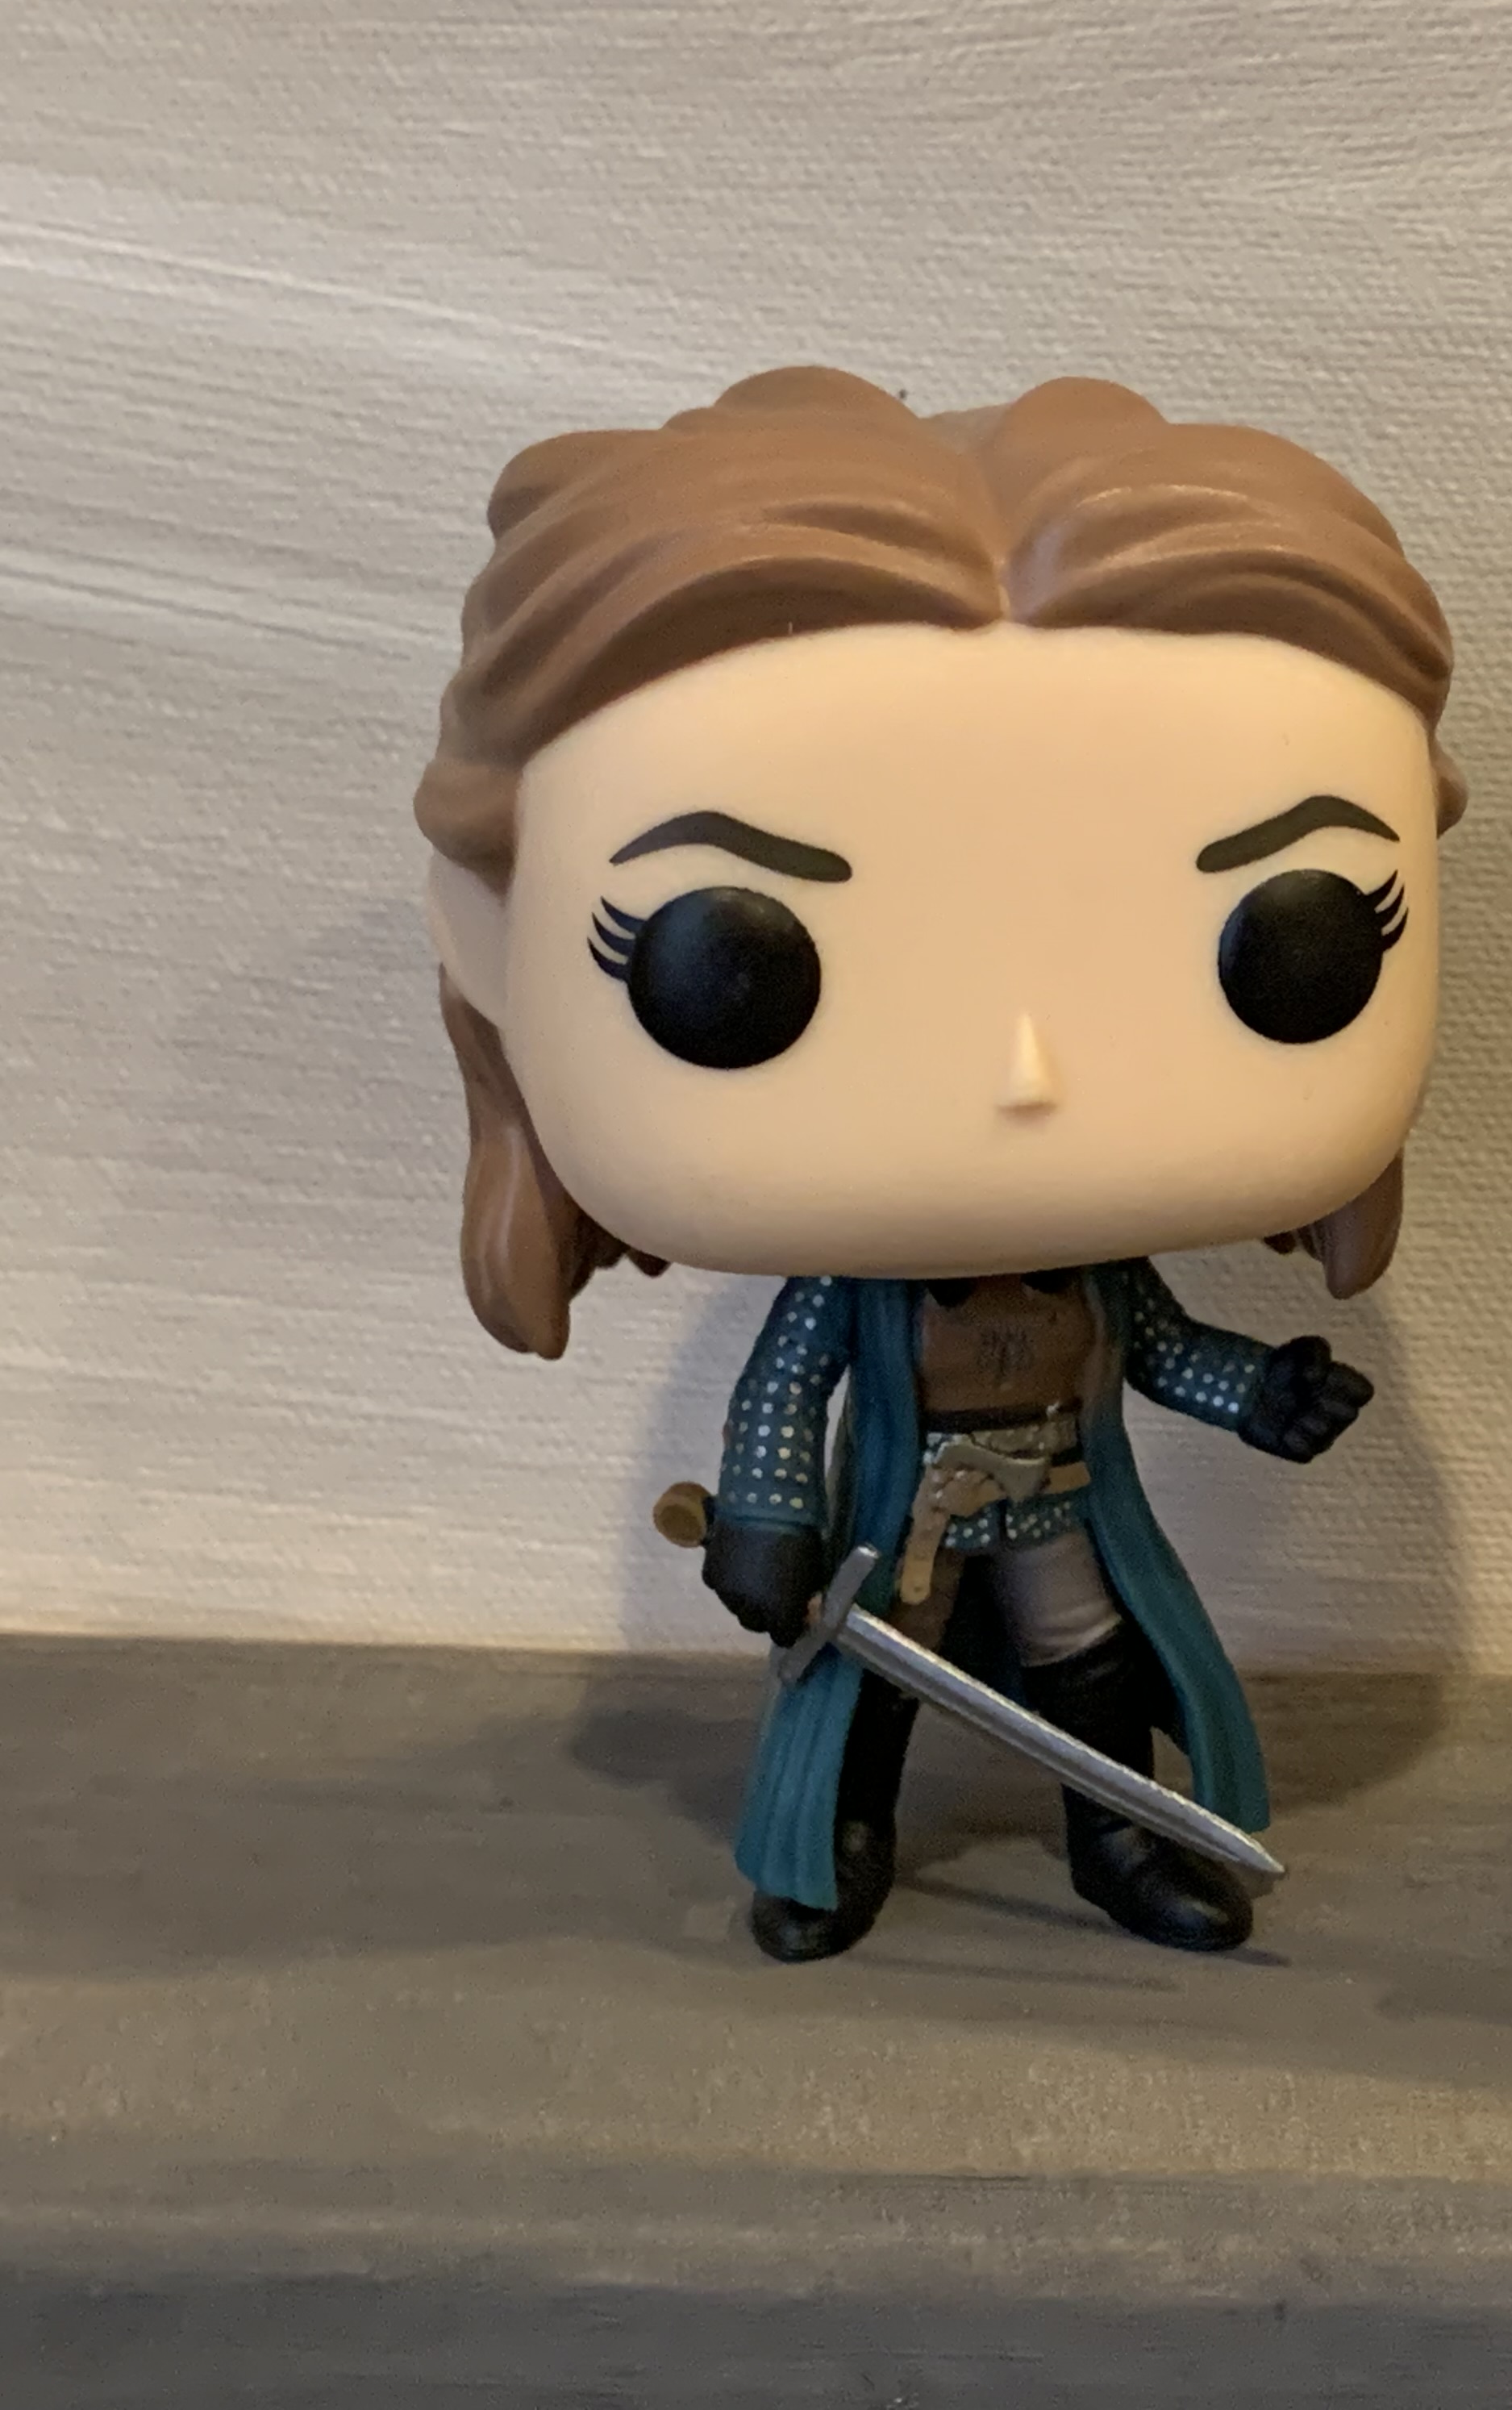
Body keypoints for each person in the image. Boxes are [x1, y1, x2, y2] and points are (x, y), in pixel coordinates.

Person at [416, 367, 1458, 1960]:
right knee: (869, 1682)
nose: (1025, 1079)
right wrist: (767, 1519)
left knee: (1091, 1667)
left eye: (1294, 941)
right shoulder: (861, 1296)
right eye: (731, 963)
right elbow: (786, 1391)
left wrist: (1265, 1395)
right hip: (895, 1535)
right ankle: (838, 1836)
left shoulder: (1090, 1277)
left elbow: (1161, 1349)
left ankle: (1118, 1835)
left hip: (1054, 1515)